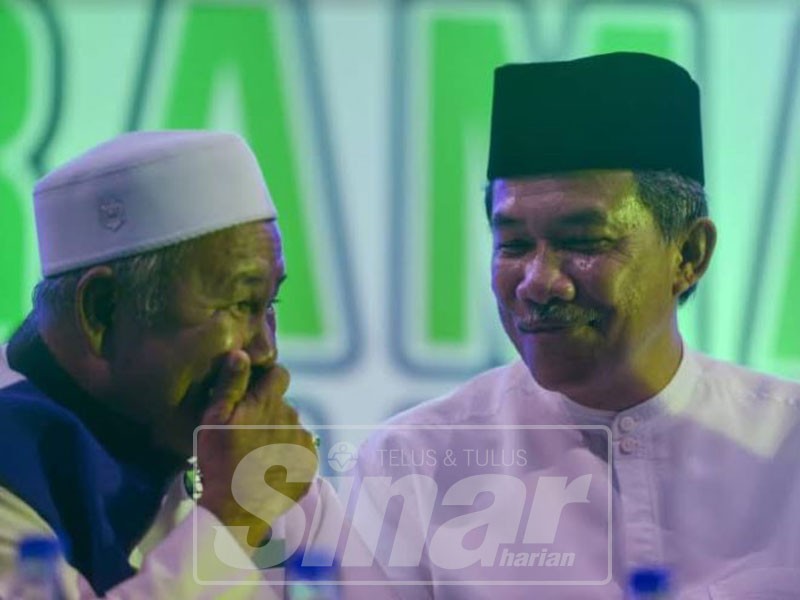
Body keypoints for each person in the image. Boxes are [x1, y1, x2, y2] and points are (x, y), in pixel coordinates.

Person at [350, 52, 800, 598]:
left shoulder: (786, 450)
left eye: (583, 242)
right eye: (513, 244)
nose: (539, 282)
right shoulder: (413, 467)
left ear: (689, 253)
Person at [0, 130, 334, 598]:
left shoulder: (226, 436)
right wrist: (232, 519)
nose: (265, 352)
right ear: (103, 311)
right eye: (240, 304)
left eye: (269, 304)